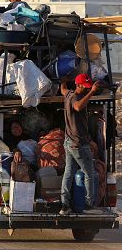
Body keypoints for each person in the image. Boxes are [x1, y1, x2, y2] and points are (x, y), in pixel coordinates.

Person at [59, 74, 102, 215]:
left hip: (69, 142)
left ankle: (65, 205)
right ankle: (89, 206)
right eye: (86, 87)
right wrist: (92, 92)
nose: (87, 89)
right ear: (79, 85)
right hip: (79, 144)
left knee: (69, 172)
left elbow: (63, 89)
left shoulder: (68, 94)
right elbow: (77, 107)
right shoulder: (77, 98)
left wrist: (64, 80)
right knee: (89, 173)